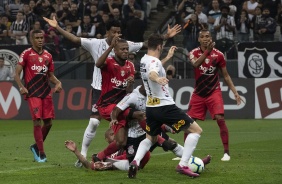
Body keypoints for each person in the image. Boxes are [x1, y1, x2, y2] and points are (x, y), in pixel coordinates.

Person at [43, 16, 181, 167]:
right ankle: (83, 153)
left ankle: (113, 154)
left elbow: (147, 45)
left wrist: (165, 37)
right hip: (101, 90)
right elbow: (76, 40)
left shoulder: (126, 50)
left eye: (119, 32)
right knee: (95, 122)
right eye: (114, 32)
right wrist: (57, 27)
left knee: (125, 136)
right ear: (107, 32)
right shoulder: (97, 44)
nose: (117, 35)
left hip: (121, 96)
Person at [128, 33, 203, 179]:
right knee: (196, 130)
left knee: (151, 138)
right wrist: (159, 78)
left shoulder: (144, 59)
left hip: (150, 108)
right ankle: (183, 164)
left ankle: (135, 162)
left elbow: (152, 68)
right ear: (159, 46)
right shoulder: (154, 62)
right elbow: (152, 73)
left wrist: (167, 58)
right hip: (165, 107)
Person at [186, 29, 243, 162]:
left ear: (211, 38)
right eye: (202, 37)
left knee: (220, 118)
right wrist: (207, 52)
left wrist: (235, 92)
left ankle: (226, 152)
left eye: (207, 36)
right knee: (189, 123)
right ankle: (185, 154)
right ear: (199, 39)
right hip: (199, 93)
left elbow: (226, 75)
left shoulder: (219, 55)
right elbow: (196, 64)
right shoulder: (193, 53)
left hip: (213, 91)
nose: (205, 38)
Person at [14, 29, 63, 163]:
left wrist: (58, 83)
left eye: (41, 37)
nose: (40, 40)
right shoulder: (26, 54)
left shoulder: (48, 56)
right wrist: (21, 87)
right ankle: (41, 153)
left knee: (49, 123)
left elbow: (51, 76)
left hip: (46, 92)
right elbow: (16, 73)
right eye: (37, 38)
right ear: (32, 40)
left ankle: (35, 146)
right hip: (33, 92)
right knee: (37, 120)